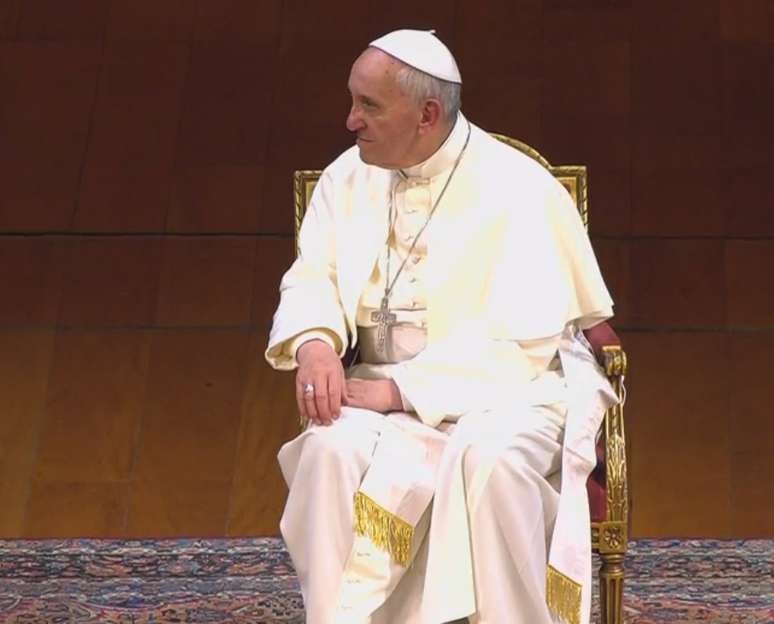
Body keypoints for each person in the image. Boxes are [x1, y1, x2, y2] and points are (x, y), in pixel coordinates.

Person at [265, 28, 617, 624]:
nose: (350, 121)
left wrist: (403, 392)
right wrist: (316, 346)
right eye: (352, 100)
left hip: (515, 393)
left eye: (368, 106)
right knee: (329, 451)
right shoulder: (344, 179)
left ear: (427, 114)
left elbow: (524, 345)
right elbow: (313, 276)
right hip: (376, 385)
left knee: (489, 462)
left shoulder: (519, 188)